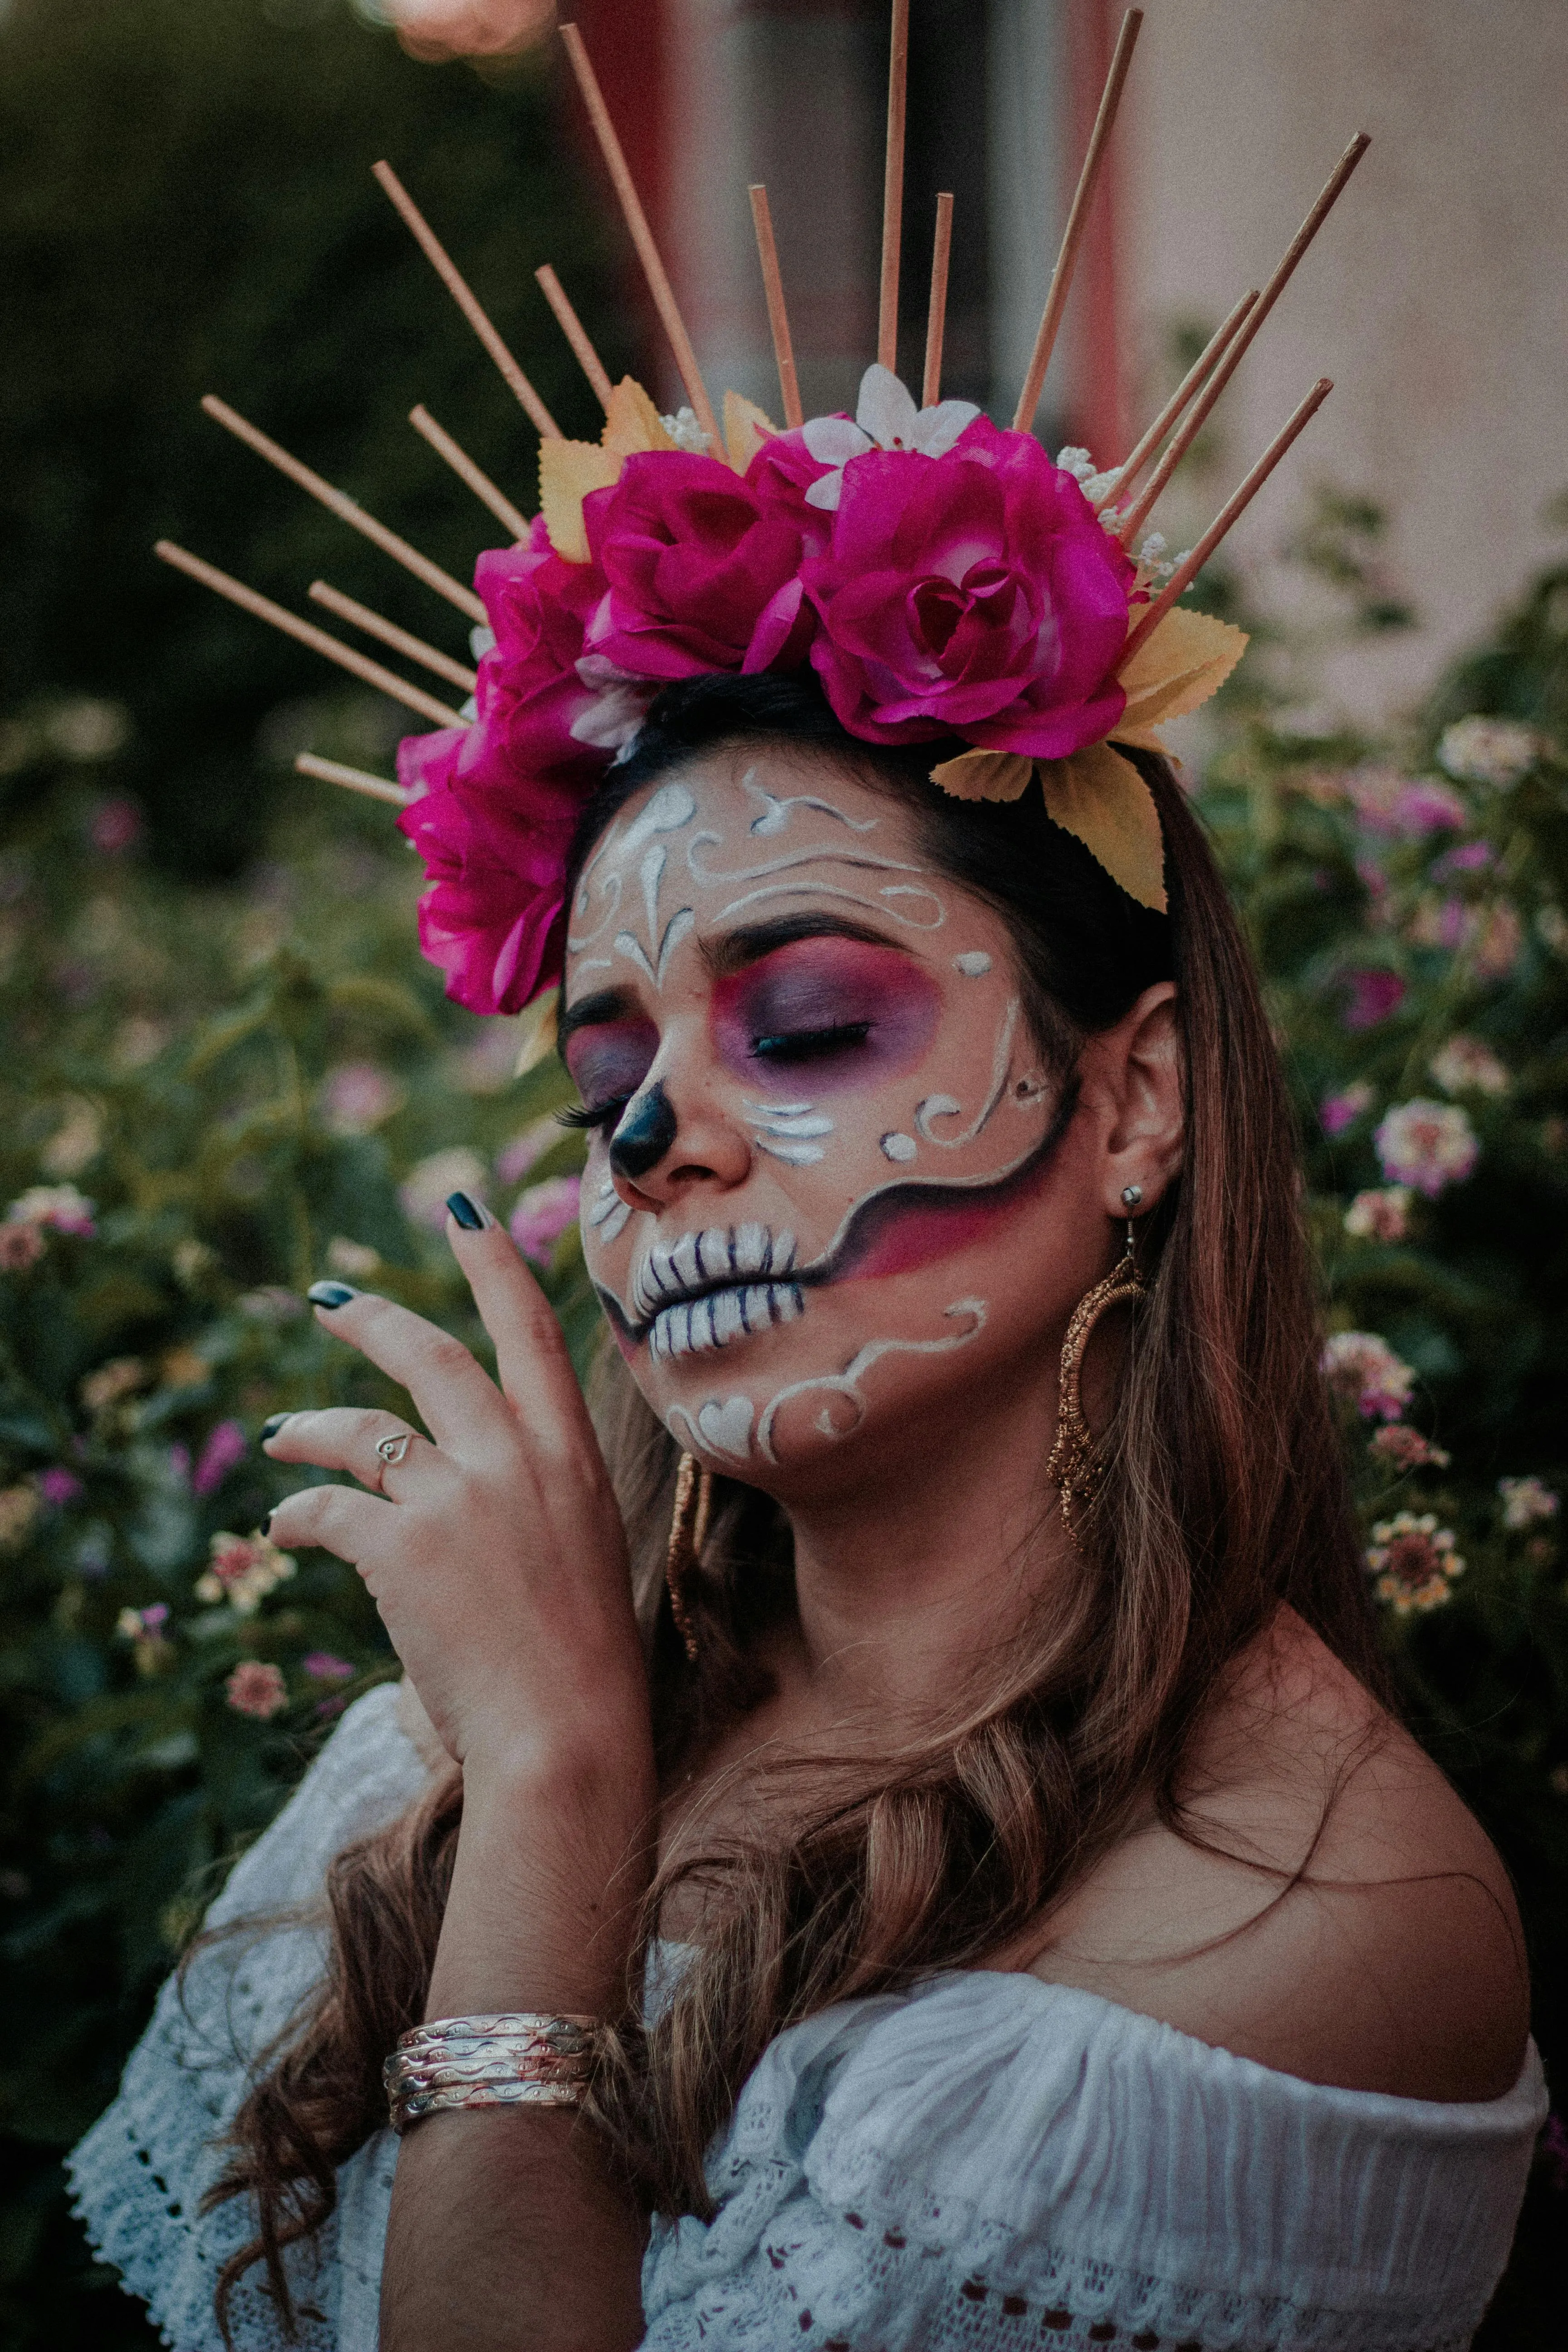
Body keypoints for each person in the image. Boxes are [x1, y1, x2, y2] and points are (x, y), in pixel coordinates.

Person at [66, 19, 1545, 2342]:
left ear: (1138, 1097)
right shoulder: (436, 1747)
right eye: (602, 1076)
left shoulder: (1302, 1927)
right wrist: (525, 1750)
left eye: (820, 1019)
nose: (660, 1138)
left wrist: (559, 1798)